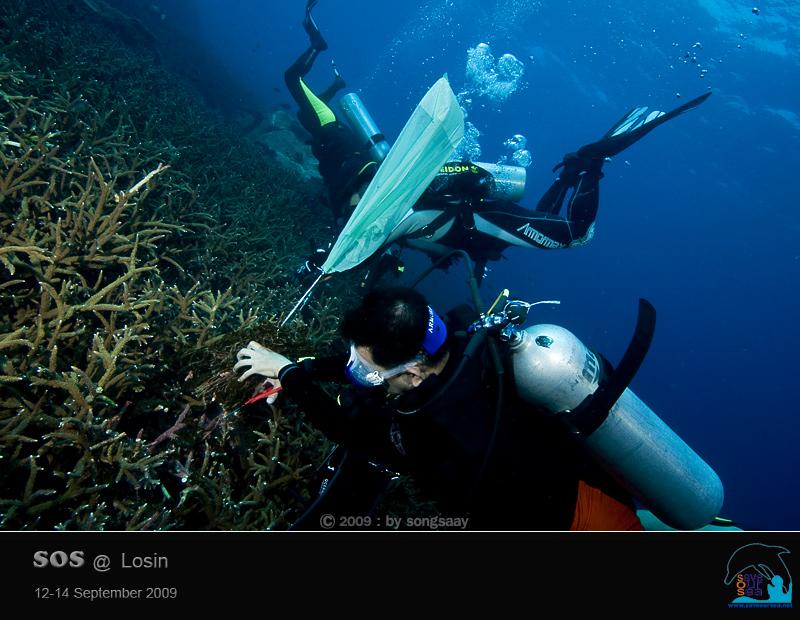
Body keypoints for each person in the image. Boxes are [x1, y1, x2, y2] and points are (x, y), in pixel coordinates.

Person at [285, 1, 711, 285]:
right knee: (557, 228)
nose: (360, 199)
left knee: (571, 234)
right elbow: (373, 237)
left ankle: (589, 165)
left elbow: (369, 240)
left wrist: (321, 265)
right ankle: (580, 168)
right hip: (470, 221)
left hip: (474, 218)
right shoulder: (390, 211)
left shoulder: (393, 214)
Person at [234, 286, 644, 530]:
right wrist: (305, 368)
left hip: (574, 524)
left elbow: (351, 433)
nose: (360, 372)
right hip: (593, 488)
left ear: (414, 373)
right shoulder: (467, 341)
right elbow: (371, 367)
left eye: (366, 368)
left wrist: (291, 375)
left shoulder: (434, 424)